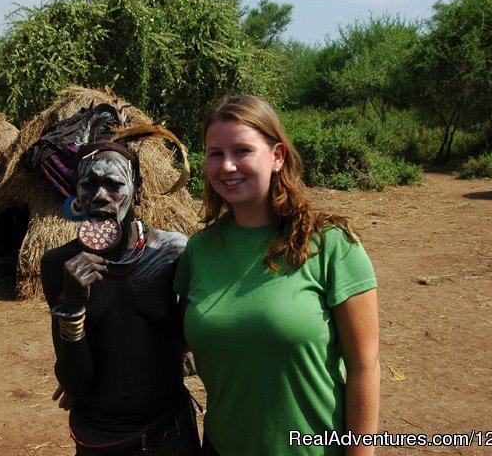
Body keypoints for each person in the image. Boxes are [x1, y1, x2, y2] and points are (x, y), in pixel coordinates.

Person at [174, 95, 380, 456]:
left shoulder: (331, 244)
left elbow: (365, 367)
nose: (227, 166)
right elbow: (166, 341)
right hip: (220, 449)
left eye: (242, 150)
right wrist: (88, 358)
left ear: (277, 156)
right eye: (215, 153)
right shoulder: (200, 250)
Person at [41, 138, 200, 456]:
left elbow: (190, 330)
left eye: (114, 184)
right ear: (77, 193)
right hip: (99, 437)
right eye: (89, 184)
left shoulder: (171, 253)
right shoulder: (59, 264)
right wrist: (71, 306)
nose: (100, 196)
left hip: (170, 429)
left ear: (137, 190)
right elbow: (75, 384)